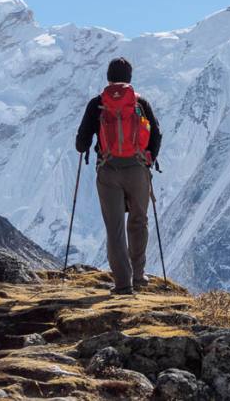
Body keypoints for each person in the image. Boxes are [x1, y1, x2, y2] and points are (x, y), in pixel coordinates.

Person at [75, 57, 162, 295]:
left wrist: (85, 146)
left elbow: (81, 142)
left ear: (108, 77)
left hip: (108, 171)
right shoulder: (140, 102)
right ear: (130, 78)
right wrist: (149, 159)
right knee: (138, 221)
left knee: (114, 228)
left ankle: (123, 285)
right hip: (137, 170)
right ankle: (139, 275)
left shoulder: (97, 104)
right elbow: (156, 135)